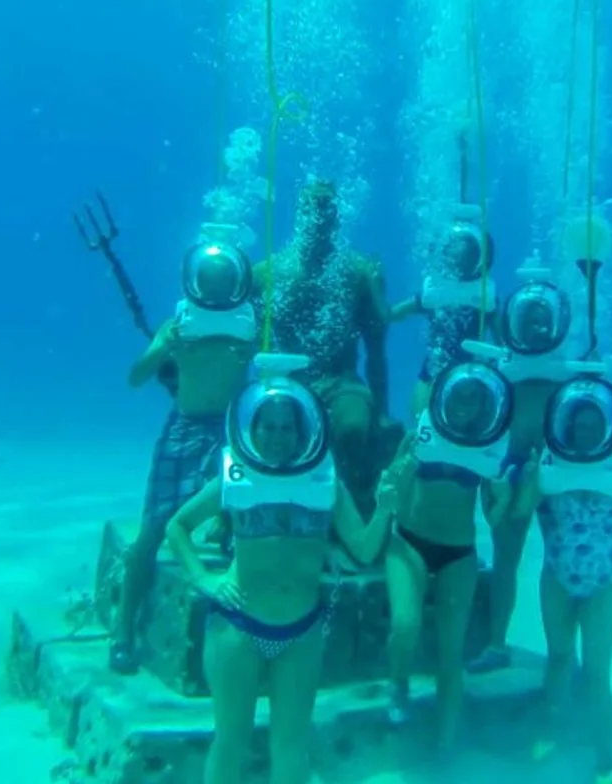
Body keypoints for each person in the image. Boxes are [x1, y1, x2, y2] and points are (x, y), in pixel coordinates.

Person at [164, 359, 397, 784]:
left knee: (291, 744)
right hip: (237, 629)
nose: (276, 436)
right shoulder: (235, 477)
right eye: (267, 427)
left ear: (302, 430)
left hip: (301, 634)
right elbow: (177, 526)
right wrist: (203, 579)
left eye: (286, 427)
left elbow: (363, 550)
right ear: (251, 428)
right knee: (230, 740)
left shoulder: (326, 482)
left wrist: (384, 508)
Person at [109, 239, 259, 674]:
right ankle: (123, 631)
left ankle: (246, 626)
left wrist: (252, 354)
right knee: (153, 528)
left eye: (223, 282)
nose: (214, 291)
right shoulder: (177, 323)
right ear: (194, 282)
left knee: (245, 516)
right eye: (208, 282)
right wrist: (163, 347)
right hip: (186, 426)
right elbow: (136, 377)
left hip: (232, 428)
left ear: (236, 282)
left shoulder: (251, 322)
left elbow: (268, 372)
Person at [380, 361, 533, 755]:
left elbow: (493, 518)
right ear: (443, 397)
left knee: (452, 653)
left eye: (473, 400)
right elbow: (393, 493)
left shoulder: (488, 446)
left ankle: (446, 749)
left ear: (484, 406)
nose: (464, 407)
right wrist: (399, 474)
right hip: (409, 543)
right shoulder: (418, 436)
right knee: (405, 623)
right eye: (459, 397)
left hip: (459, 553)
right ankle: (398, 683)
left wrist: (506, 497)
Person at [524, 375, 612, 784]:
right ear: (567, 427)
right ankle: (550, 730)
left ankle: (605, 755)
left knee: (596, 674)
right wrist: (529, 477)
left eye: (594, 427)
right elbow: (517, 512)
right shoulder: (549, 469)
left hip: (605, 584)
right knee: (558, 658)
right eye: (579, 426)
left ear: (608, 429)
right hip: (556, 579)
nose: (586, 434)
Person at [253, 179, 395, 515]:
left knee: (352, 428)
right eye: (311, 208)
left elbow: (376, 352)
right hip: (285, 380)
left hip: (341, 379)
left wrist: (382, 412)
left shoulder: (359, 273)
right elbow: (247, 348)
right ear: (299, 215)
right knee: (269, 433)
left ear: (336, 218)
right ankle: (259, 511)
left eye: (326, 209)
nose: (319, 217)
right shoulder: (267, 274)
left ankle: (355, 512)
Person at [466, 275, 583, 674]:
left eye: (543, 320)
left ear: (556, 323)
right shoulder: (498, 370)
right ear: (513, 323)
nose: (537, 327)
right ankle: (496, 643)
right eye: (529, 319)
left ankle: (564, 651)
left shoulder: (567, 373)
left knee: (564, 561)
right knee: (506, 560)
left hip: (556, 471)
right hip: (509, 471)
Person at [390, 206, 500, 416]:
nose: (460, 261)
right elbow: (393, 314)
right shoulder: (436, 292)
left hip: (471, 372)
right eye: (456, 255)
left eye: (468, 255)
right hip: (435, 371)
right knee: (421, 421)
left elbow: (502, 342)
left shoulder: (485, 296)